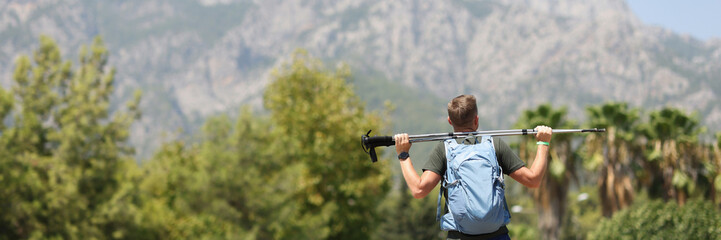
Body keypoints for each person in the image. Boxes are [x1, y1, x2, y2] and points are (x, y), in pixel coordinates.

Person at [393, 94, 552, 240]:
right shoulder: (494, 144)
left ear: (450, 121)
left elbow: (419, 190)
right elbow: (533, 180)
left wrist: (403, 155)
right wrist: (543, 143)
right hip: (497, 235)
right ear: (476, 120)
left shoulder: (445, 149)